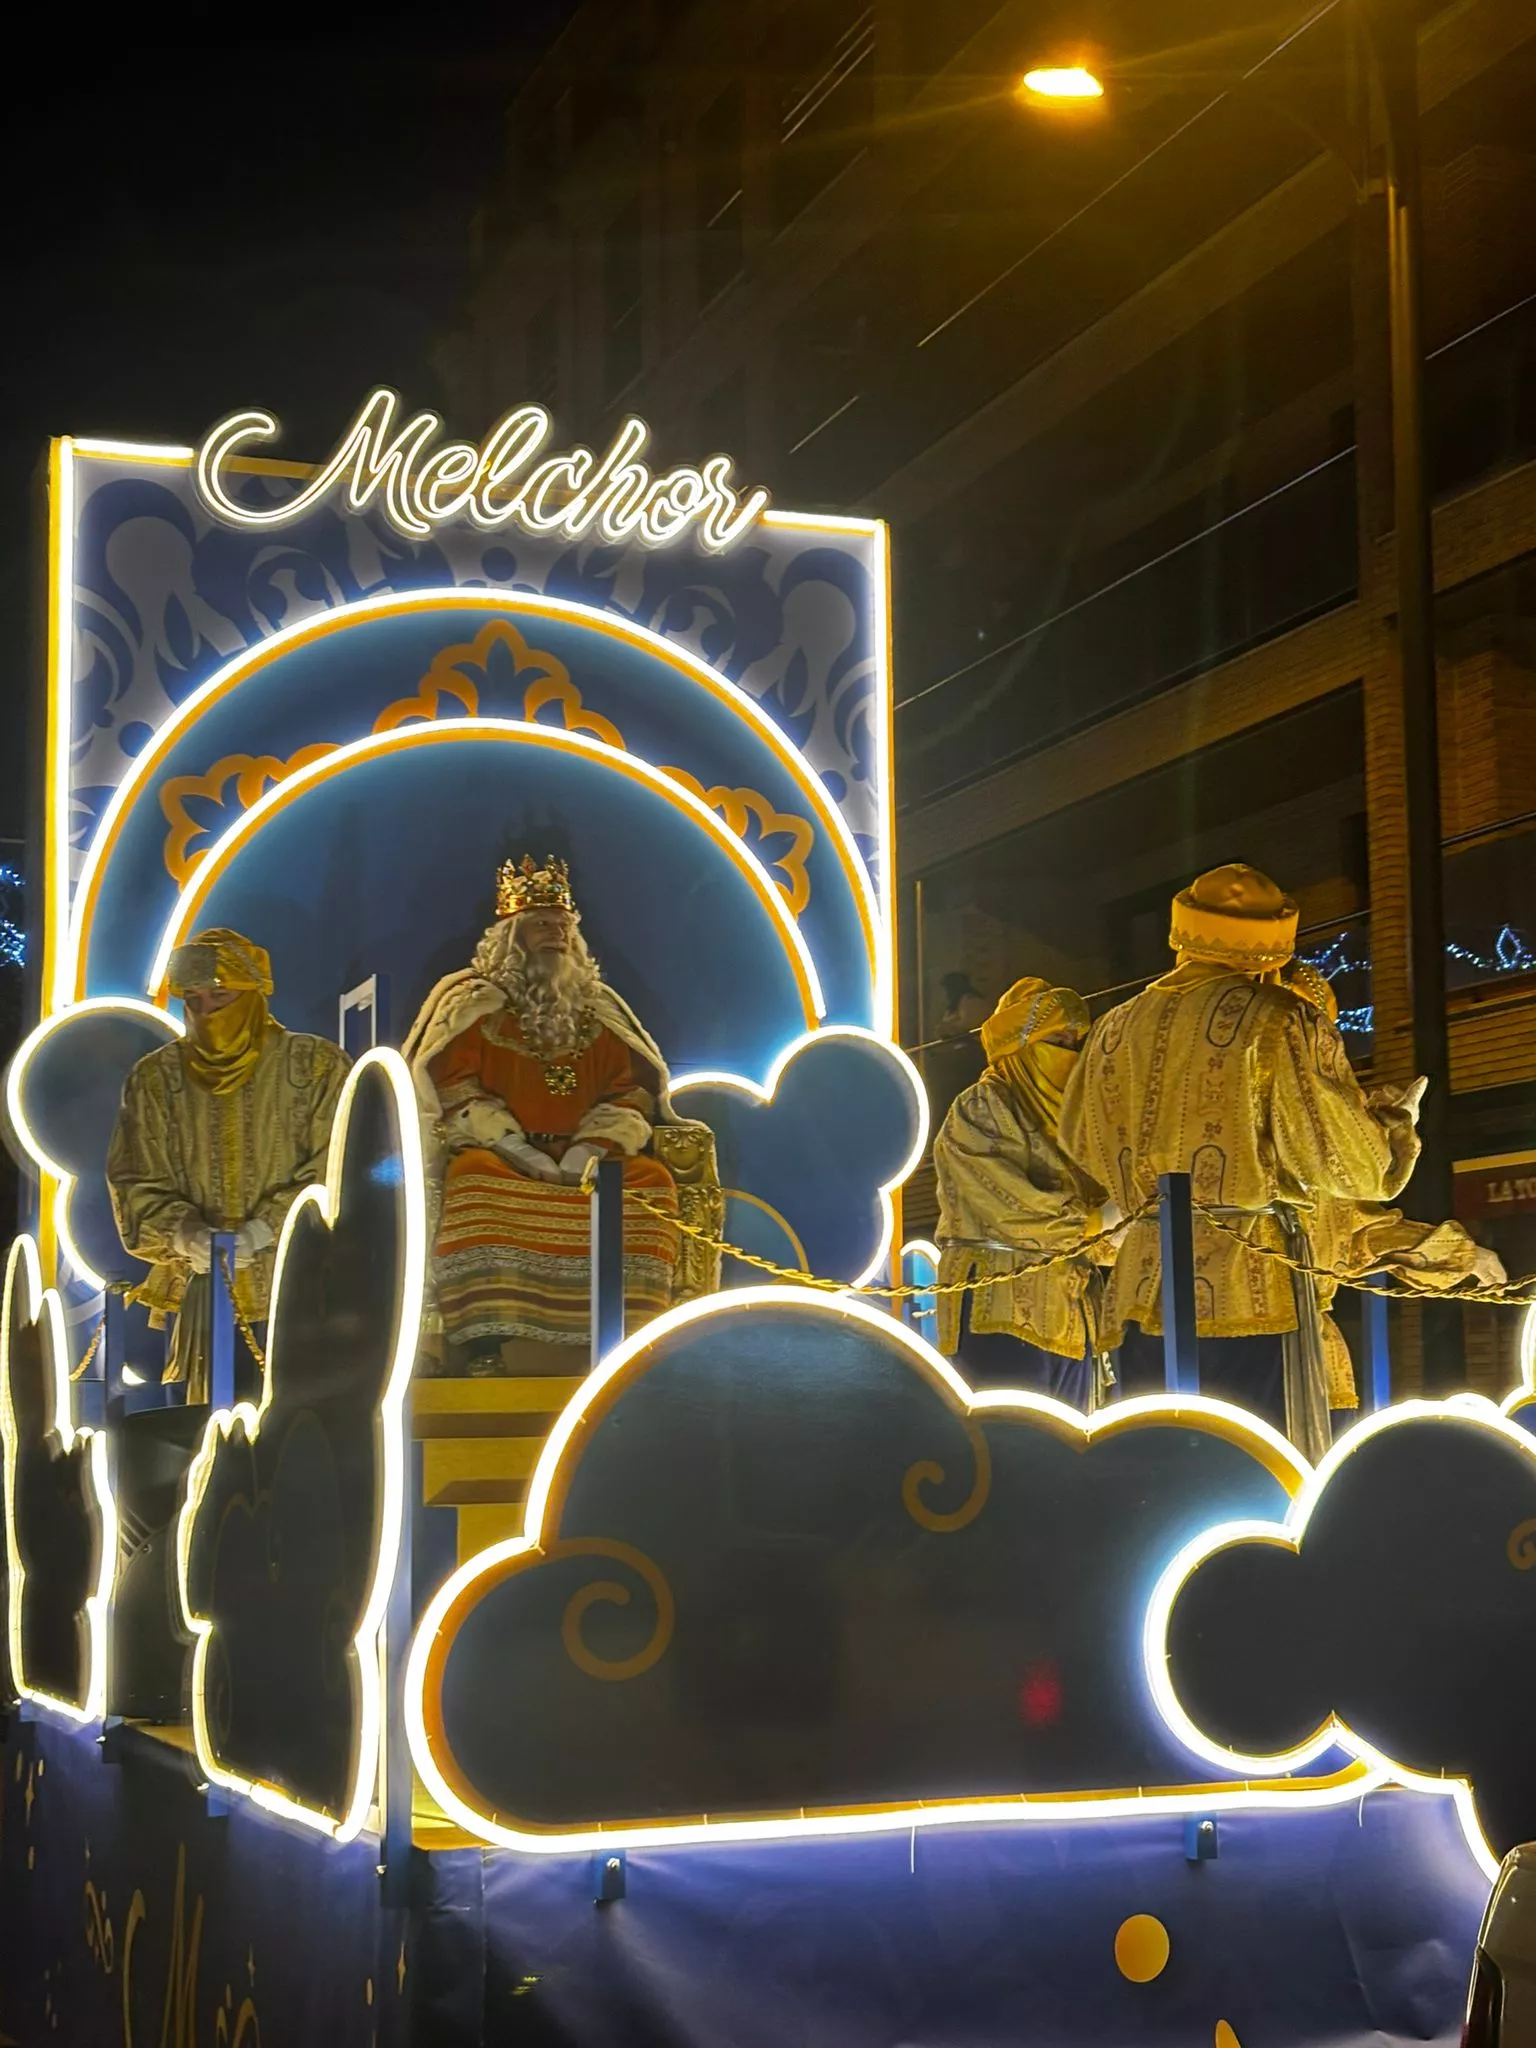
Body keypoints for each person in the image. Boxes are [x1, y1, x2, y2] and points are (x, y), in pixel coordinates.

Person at [1059, 865, 1421, 1457]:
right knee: (1259, 1468)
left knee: (1154, 1465)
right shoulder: (1280, 1017)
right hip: (1250, 1290)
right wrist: (1392, 1125)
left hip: (1139, 1284)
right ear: (1271, 949)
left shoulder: (1112, 1029)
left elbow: (1078, 1142)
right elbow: (1351, 1165)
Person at [404, 856, 681, 1370]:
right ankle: (486, 1347)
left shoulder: (599, 1009)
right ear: (512, 937)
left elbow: (633, 1090)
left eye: (562, 925)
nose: (556, 934)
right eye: (541, 925)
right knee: (473, 1180)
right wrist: (515, 1147)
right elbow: (451, 1085)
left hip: (591, 1164)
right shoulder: (471, 1004)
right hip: (503, 1159)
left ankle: (635, 1344)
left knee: (651, 1182)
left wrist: (590, 1146)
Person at [106, 928, 349, 1400]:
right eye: (193, 1000)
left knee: (302, 1424)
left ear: (253, 993)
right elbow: (133, 1177)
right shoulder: (155, 1078)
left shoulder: (315, 1065)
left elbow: (337, 1162)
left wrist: (267, 1229)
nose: (207, 1013)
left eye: (220, 996)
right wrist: (184, 1234)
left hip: (303, 1291)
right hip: (201, 1299)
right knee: (204, 1426)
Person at [1281, 958, 1505, 1411]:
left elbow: (1359, 1232)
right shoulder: (1304, 1146)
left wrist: (1465, 1255)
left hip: (1284, 1341)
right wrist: (1465, 1256)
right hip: (1285, 1348)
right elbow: (1360, 1234)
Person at [932, 977, 1108, 1407]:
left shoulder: (1074, 1126)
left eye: (1074, 1043)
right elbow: (1009, 1204)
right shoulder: (981, 1106)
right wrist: (1095, 1223)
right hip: (999, 1311)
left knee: (1073, 1440)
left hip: (1072, 1315)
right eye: (1057, 1042)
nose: (1069, 1053)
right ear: (1020, 1047)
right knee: (1010, 1439)